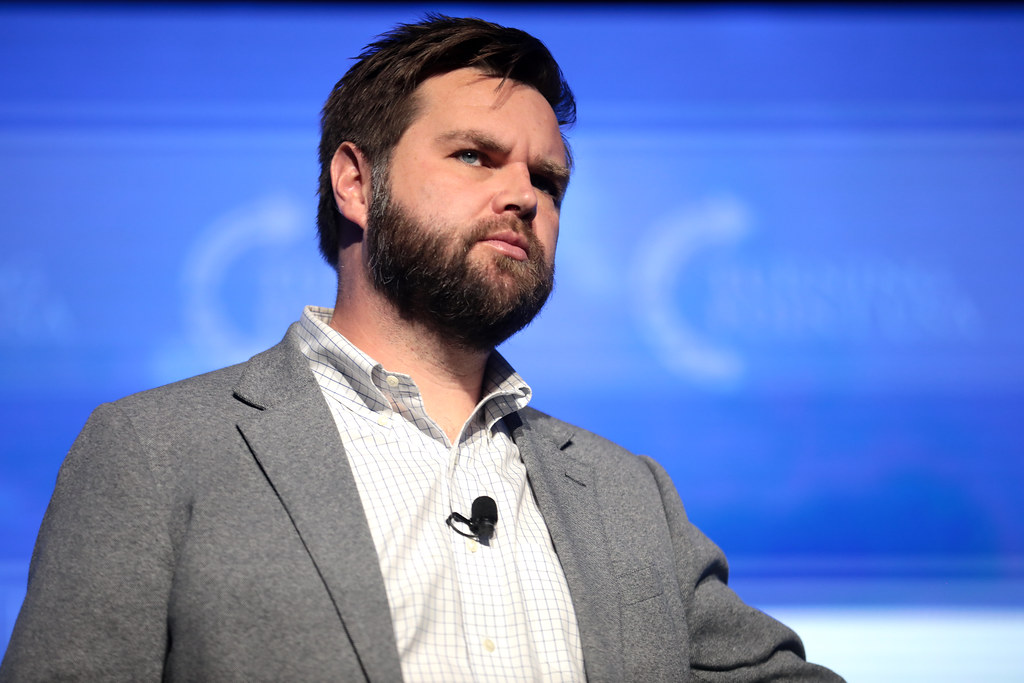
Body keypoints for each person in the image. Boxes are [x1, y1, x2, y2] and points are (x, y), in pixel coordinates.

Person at [0, 15, 843, 683]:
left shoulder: (630, 494)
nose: (523, 196)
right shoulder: (154, 450)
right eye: (476, 156)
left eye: (547, 180)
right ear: (356, 182)